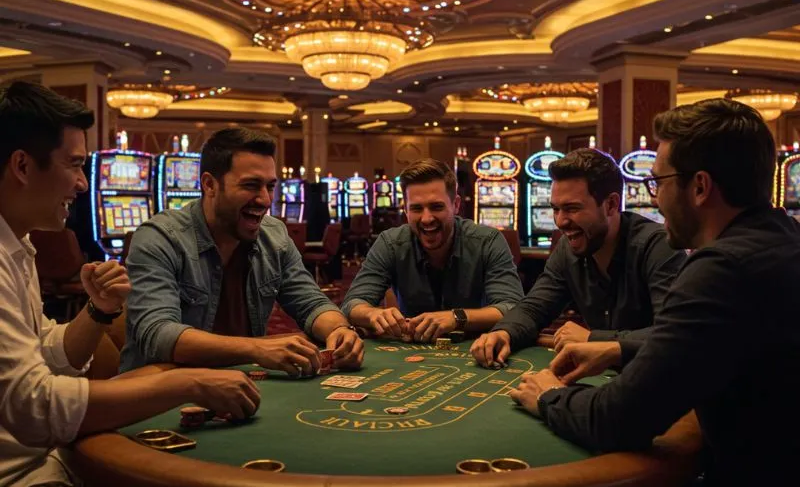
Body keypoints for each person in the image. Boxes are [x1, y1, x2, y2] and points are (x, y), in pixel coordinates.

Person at [513, 98, 800, 487]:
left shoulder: (721, 269)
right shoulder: (780, 238)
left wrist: (549, 394)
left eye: (658, 181)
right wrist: (617, 350)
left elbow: (619, 419)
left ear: (700, 187)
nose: (654, 196)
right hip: (769, 483)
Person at [0, 81, 261, 487]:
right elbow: (35, 407)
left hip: (46, 466)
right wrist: (188, 383)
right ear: (22, 166)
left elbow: (48, 354)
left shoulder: (18, 247)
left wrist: (98, 312)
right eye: (75, 165)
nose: (83, 184)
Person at [121, 127, 364, 375]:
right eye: (251, 185)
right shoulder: (160, 238)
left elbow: (311, 303)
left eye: (270, 186)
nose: (266, 200)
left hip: (238, 383)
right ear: (209, 184)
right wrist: (257, 348)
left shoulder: (274, 235)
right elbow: (159, 335)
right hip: (162, 391)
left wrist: (339, 331)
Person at [471, 147, 685, 368]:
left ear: (611, 204)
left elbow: (674, 335)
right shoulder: (568, 248)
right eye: (555, 209)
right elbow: (534, 307)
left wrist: (593, 339)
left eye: (572, 208)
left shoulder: (658, 246)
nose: (561, 222)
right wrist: (504, 332)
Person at [341, 158, 523, 342]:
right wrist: (372, 314)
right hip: (411, 352)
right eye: (417, 208)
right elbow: (351, 304)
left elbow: (512, 308)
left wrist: (455, 318)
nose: (427, 218)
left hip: (477, 348)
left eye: (436, 207)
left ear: (456, 205)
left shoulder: (488, 241)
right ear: (406, 210)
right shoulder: (390, 243)